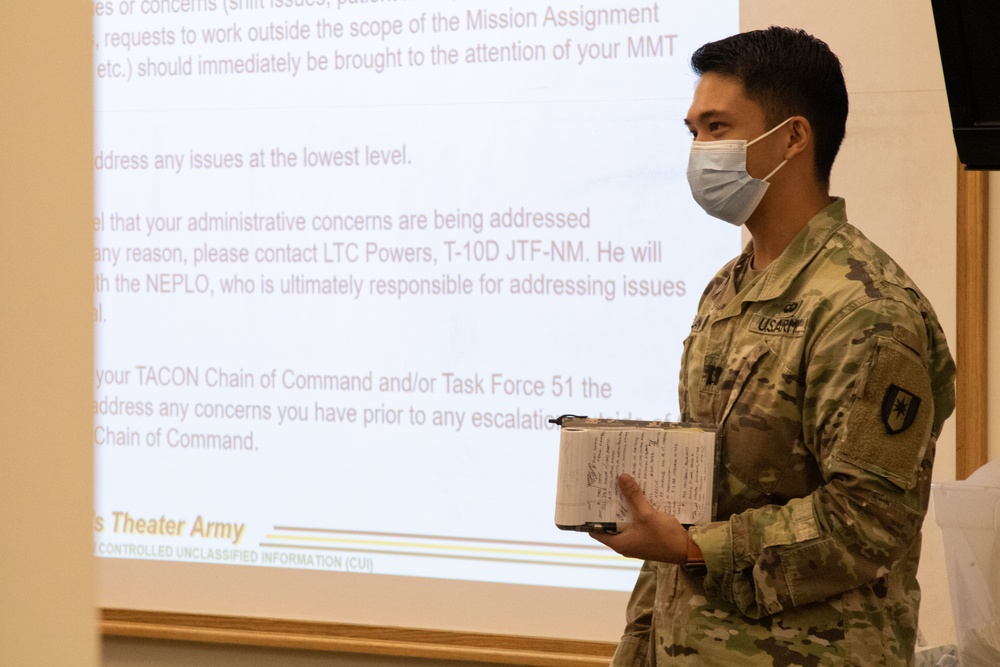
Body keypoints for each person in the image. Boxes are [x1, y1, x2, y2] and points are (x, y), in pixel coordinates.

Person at [592, 27, 956, 666]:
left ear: (792, 138)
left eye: (717, 127)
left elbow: (868, 523)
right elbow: (689, 506)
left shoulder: (866, 308)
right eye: (693, 132)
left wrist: (693, 547)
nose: (700, 150)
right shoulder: (728, 288)